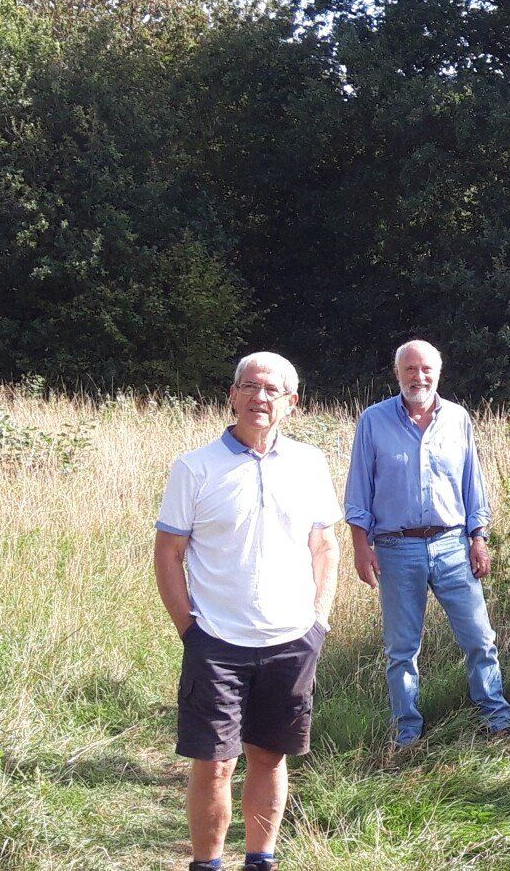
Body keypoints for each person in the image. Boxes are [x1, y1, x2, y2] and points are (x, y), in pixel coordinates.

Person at [154, 352, 341, 871]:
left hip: (291, 640)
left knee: (269, 757)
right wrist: (190, 630)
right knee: (214, 765)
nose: (261, 398)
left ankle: (261, 861)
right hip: (216, 642)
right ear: (232, 394)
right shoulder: (195, 467)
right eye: (251, 387)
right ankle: (207, 864)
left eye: (273, 390)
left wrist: (317, 622)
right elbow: (168, 552)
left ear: (292, 404)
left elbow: (325, 547)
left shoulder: (310, 464)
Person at [344, 340, 510, 746]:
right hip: (395, 547)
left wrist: (478, 537)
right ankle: (408, 732)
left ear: (438, 373)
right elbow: (358, 489)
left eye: (426, 370)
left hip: (454, 545)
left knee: (480, 639)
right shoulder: (373, 421)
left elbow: (473, 483)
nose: (418, 377)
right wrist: (359, 545)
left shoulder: (458, 419)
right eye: (410, 370)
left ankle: (498, 721)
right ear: (397, 373)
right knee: (401, 649)